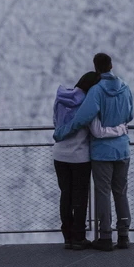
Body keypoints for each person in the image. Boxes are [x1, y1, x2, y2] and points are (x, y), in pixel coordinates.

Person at [69, 53, 133, 251]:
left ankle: (105, 236)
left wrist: (63, 131)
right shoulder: (125, 88)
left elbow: (83, 117)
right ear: (111, 65)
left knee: (103, 192)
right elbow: (130, 115)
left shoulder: (96, 91)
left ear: (95, 67)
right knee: (121, 192)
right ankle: (124, 234)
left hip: (102, 153)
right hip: (122, 149)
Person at [52, 71, 100, 250]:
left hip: (59, 154)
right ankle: (79, 237)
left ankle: (67, 236)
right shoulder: (88, 102)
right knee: (80, 196)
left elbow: (55, 122)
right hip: (79, 156)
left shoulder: (60, 98)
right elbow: (92, 128)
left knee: (65, 194)